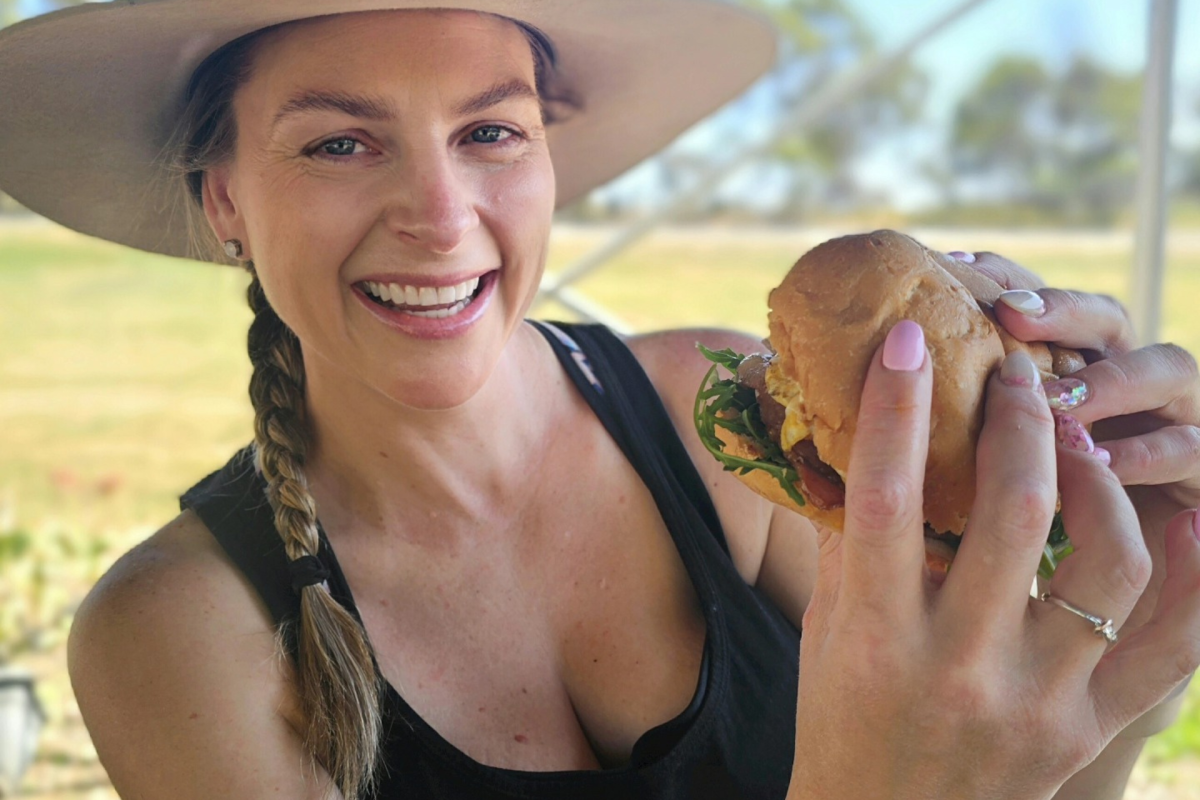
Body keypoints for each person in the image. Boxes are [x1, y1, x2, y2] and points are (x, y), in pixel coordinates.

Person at [1, 1, 1197, 798]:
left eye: (490, 130)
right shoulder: (180, 634)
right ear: (222, 203)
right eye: (337, 146)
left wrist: (1125, 662)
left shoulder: (732, 424)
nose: (440, 213)